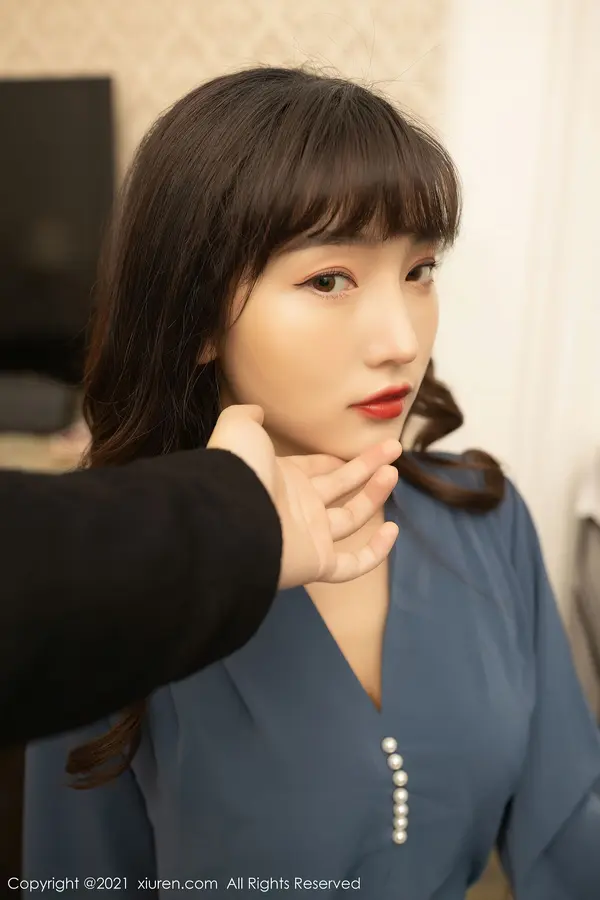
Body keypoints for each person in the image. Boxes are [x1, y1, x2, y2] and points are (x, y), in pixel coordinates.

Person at [23, 67, 600, 899]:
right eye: (329, 279)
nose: (402, 339)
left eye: (421, 269)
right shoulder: (113, 583)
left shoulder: (487, 518)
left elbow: (569, 839)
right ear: (196, 319)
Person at [0, 403, 401, 749]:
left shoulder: (450, 513)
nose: (402, 348)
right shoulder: (101, 650)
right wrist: (229, 516)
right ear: (205, 341)